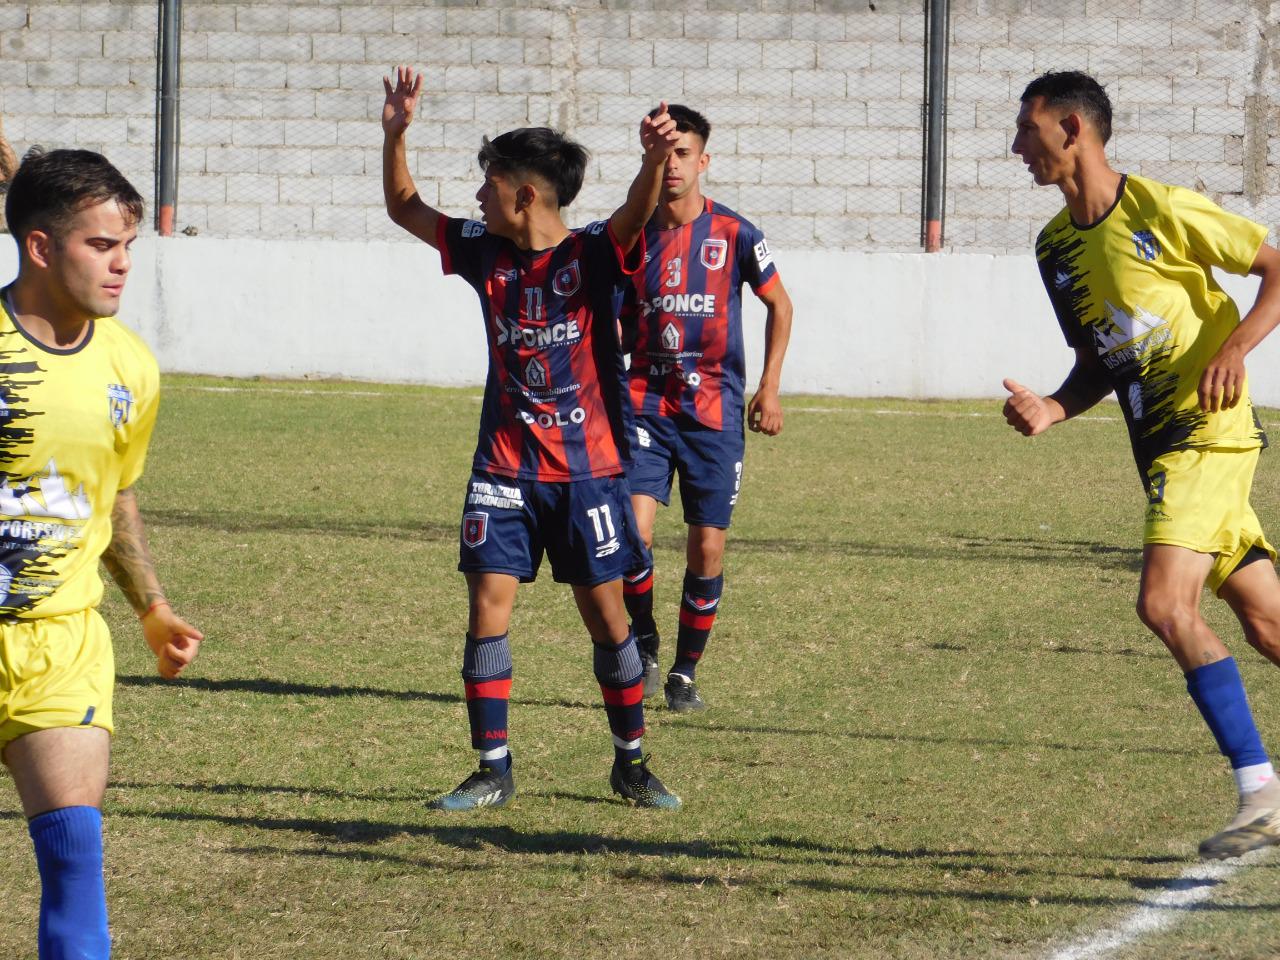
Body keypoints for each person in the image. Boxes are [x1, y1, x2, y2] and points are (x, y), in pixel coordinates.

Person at [381, 66, 682, 810]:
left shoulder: (588, 256)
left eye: (489, 185)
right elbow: (405, 208)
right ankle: (492, 766)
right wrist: (395, 135)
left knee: (607, 618)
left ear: (524, 194)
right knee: (487, 604)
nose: (478, 198)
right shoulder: (484, 251)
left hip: (586, 474)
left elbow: (632, 220)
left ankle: (631, 763)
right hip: (503, 468)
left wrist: (651, 162)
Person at [1005, 70, 1280, 860]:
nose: (1017, 146)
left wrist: (1232, 350)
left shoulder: (1160, 208)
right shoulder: (1055, 247)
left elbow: (1276, 269)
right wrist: (1054, 406)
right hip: (1163, 450)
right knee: (1264, 621)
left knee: (1164, 605)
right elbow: (1098, 360)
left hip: (1207, 436)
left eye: (1028, 129)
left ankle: (1260, 790)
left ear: (1073, 131)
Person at [1, 148, 202, 957]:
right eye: (100, 246)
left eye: (128, 247)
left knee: (76, 859)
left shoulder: (131, 368)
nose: (121, 266)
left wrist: (150, 607)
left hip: (62, 641)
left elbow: (113, 495)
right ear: (42, 247)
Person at [619, 104, 793, 712]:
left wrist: (767, 387)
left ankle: (684, 672)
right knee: (631, 537)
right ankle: (642, 636)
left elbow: (782, 306)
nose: (674, 166)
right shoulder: (630, 234)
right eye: (664, 155)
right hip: (643, 404)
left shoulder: (737, 233)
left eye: (684, 154)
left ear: (704, 161)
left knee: (707, 549)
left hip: (714, 414)